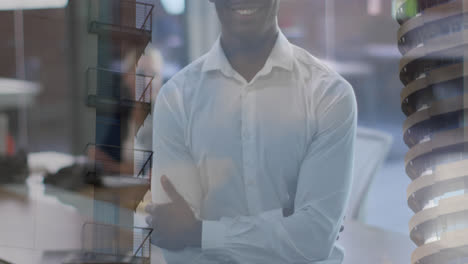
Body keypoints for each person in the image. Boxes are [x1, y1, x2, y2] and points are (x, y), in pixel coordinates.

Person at [146, 0, 357, 263]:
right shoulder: (176, 99)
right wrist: (283, 231)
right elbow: (174, 241)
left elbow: (314, 237)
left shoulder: (329, 95)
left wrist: (199, 233)